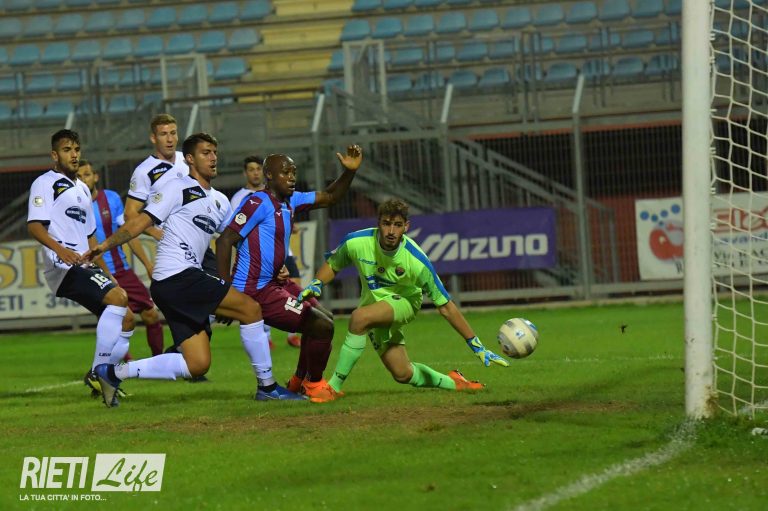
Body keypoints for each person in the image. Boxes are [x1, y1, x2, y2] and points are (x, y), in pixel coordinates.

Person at [86, 133, 306, 407]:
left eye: (215, 152)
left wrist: (275, 265)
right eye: (205, 153)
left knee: (197, 364)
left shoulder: (220, 201)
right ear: (189, 159)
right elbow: (139, 222)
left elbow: (238, 238)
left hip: (179, 284)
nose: (213, 158)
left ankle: (112, 373)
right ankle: (268, 387)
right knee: (250, 309)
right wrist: (104, 245)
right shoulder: (176, 187)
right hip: (176, 276)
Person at [296, 198, 508, 399]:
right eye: (386, 224)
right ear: (378, 223)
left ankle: (333, 388)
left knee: (359, 318)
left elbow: (446, 306)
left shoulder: (416, 260)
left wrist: (476, 345)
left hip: (405, 302)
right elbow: (333, 264)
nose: (391, 231)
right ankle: (455, 382)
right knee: (403, 373)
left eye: (397, 225)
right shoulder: (356, 242)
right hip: (374, 305)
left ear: (406, 226)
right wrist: (317, 283)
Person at [216, 145, 363, 403]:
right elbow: (225, 240)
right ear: (269, 175)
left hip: (273, 283)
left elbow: (330, 197)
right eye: (285, 172)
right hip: (254, 289)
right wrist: (225, 291)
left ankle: (298, 381)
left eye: (294, 172)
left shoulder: (291, 200)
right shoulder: (256, 202)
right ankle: (314, 385)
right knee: (321, 326)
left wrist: (349, 172)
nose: (292, 177)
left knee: (324, 318)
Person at [27, 130, 135, 398]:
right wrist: (61, 250)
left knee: (127, 319)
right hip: (62, 265)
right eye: (67, 150)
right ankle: (101, 374)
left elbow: (90, 238)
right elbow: (35, 226)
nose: (74, 154)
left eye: (76, 149)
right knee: (117, 299)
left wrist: (108, 273)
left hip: (84, 263)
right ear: (55, 155)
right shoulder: (45, 183)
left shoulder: (83, 189)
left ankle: (102, 379)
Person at [77, 159, 165, 357]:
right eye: (79, 176)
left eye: (87, 175)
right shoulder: (76, 206)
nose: (83, 180)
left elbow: (128, 233)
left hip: (121, 269)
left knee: (151, 314)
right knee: (118, 320)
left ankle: (157, 360)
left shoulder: (112, 198)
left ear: (95, 177)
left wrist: (148, 264)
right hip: (96, 273)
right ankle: (123, 363)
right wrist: (105, 274)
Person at [124, 113, 188, 242]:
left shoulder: (188, 159)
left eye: (173, 133)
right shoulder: (144, 171)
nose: (170, 139)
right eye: (163, 134)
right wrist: (155, 232)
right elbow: (129, 214)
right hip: (173, 244)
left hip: (199, 239)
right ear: (153, 138)